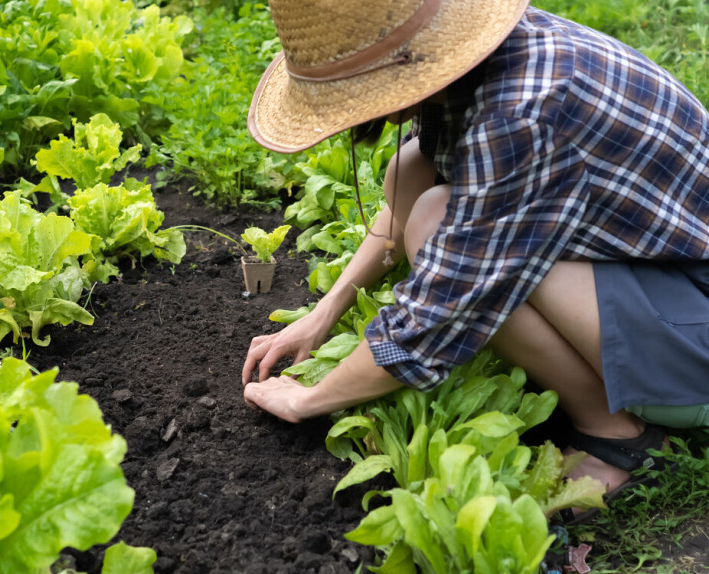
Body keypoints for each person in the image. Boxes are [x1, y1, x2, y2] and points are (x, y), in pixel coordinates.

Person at [241, 0, 709, 520]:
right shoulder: (482, 60)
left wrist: (308, 400)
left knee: (437, 220)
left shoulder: (519, 112)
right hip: (668, 287)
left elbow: (440, 311)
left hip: (697, 347)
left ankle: (617, 436)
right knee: (410, 166)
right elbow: (405, 211)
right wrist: (323, 314)